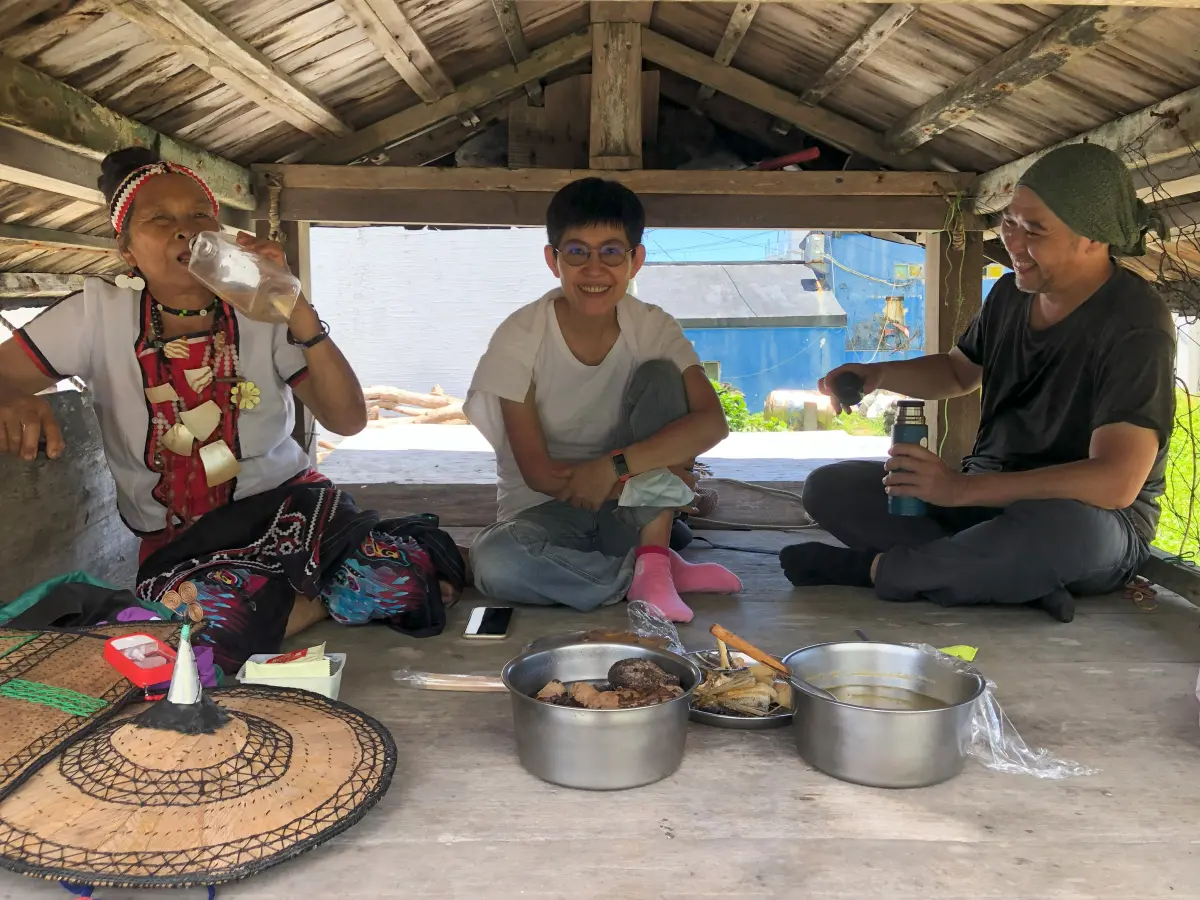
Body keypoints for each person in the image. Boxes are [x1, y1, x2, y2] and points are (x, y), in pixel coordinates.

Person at [0, 147, 464, 676]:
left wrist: (296, 306)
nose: (185, 229)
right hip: (187, 546)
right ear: (126, 248)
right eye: (159, 219)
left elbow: (348, 420)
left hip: (291, 513)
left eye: (200, 215)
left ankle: (289, 598)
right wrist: (12, 395)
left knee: (395, 582)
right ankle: (311, 596)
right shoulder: (96, 315)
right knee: (191, 631)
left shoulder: (262, 309)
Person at [780, 143, 1176, 623]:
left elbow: (1115, 482)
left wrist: (960, 490)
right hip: (985, 500)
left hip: (1088, 519)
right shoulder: (1010, 294)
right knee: (832, 488)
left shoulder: (1135, 324)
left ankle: (883, 569)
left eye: (1035, 230)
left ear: (1094, 238)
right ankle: (1000, 577)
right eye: (1009, 222)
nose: (1014, 243)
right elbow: (956, 372)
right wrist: (878, 375)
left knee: (1064, 533)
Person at [465, 177, 740, 623]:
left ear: (636, 261)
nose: (594, 270)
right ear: (553, 260)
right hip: (546, 518)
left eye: (611, 252)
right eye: (577, 252)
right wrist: (643, 474)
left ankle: (653, 559)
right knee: (495, 562)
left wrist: (613, 468)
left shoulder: (652, 326)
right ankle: (648, 573)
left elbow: (712, 424)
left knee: (662, 376)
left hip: (634, 516)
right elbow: (538, 474)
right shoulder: (520, 336)